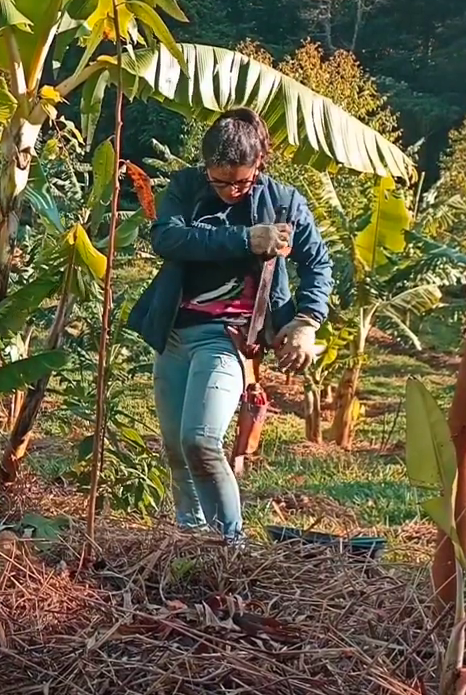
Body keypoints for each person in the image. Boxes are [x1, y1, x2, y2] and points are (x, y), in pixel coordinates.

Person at [129, 107, 332, 542]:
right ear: (206, 168)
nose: (231, 191)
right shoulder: (186, 187)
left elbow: (317, 262)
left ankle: (228, 547)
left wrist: (307, 319)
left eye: (242, 180)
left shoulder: (281, 202)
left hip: (227, 338)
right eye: (221, 181)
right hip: (174, 334)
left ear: (259, 165)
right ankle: (191, 541)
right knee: (176, 451)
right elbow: (168, 238)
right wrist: (246, 239)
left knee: (201, 442)